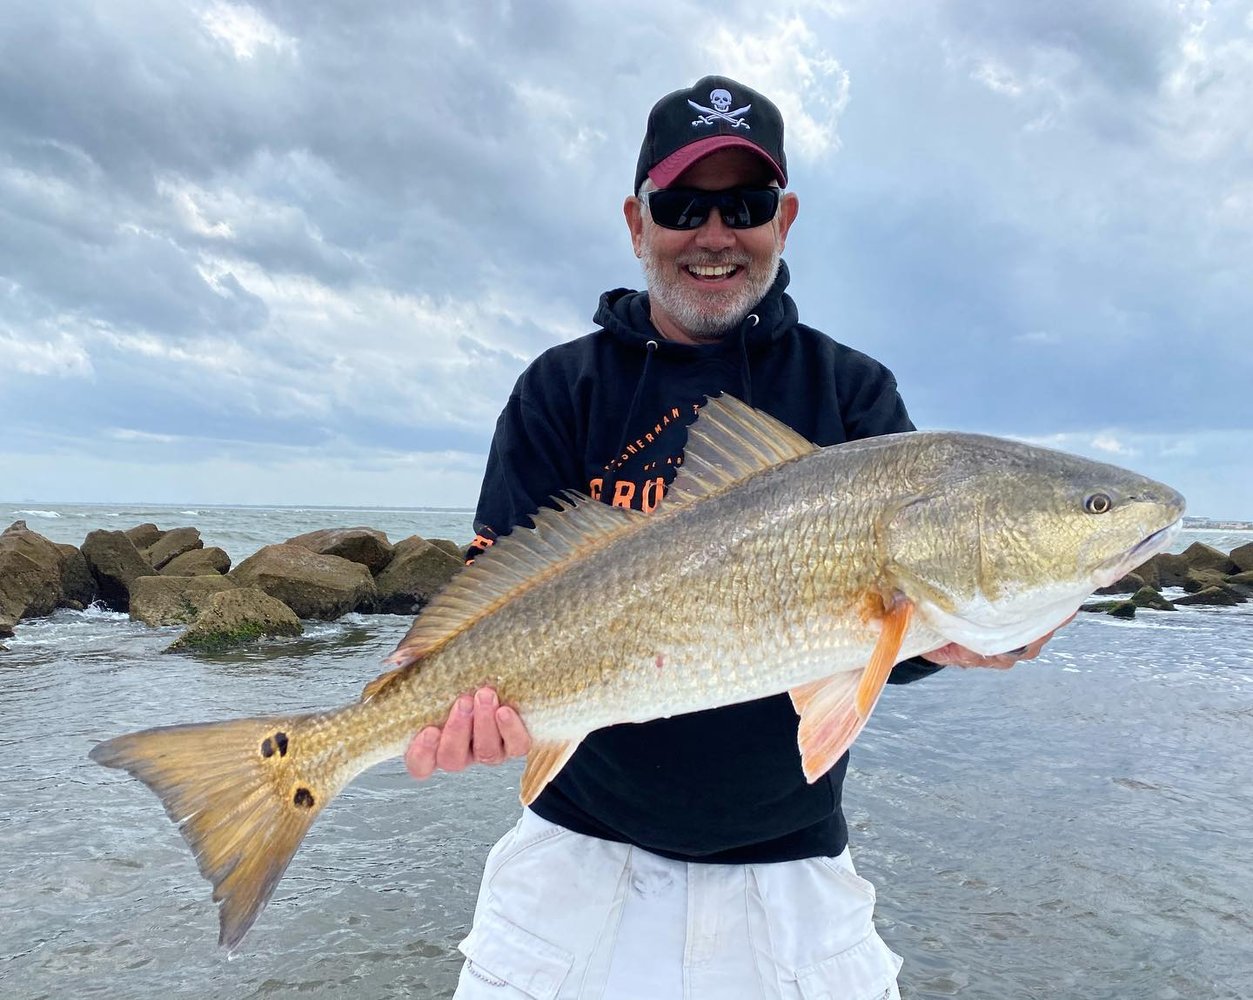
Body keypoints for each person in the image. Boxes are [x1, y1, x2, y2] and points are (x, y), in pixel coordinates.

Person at [406, 76, 1063, 999]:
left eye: (744, 205)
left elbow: (884, 649)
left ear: (784, 219)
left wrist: (972, 635)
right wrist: (457, 709)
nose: (714, 235)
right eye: (682, 205)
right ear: (636, 222)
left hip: (789, 875)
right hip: (573, 860)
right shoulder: (561, 390)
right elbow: (499, 591)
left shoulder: (853, 396)